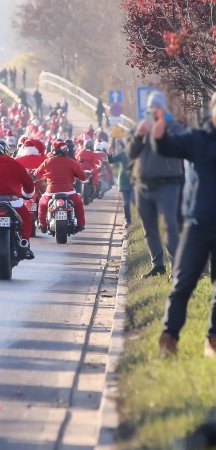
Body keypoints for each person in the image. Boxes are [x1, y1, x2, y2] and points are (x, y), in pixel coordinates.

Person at [151, 91, 216, 356]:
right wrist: (159, 131)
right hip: (198, 225)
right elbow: (167, 147)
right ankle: (169, 339)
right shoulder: (196, 139)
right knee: (183, 284)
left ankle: (212, 340)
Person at [129, 91, 185, 278]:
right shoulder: (141, 126)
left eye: (157, 106)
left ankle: (176, 268)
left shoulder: (173, 127)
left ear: (163, 108)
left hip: (168, 184)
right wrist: (138, 135)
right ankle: (157, 265)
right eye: (151, 106)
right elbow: (131, 153)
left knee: (170, 224)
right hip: (143, 185)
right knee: (149, 227)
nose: (154, 110)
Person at [34, 140, 87, 232]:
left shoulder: (47, 161)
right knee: (78, 204)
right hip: (69, 192)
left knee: (42, 204)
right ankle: (81, 224)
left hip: (51, 192)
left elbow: (37, 174)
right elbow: (82, 177)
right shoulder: (72, 162)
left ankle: (42, 225)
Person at [111, 139, 132, 228]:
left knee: (136, 203)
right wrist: (109, 153)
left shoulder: (139, 153)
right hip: (124, 182)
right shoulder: (122, 154)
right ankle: (128, 220)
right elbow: (111, 160)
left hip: (135, 182)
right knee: (126, 202)